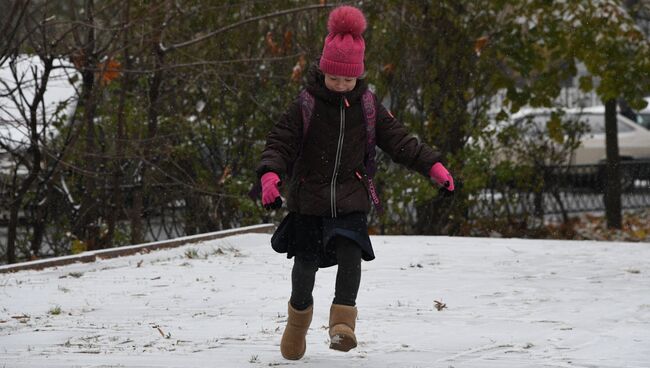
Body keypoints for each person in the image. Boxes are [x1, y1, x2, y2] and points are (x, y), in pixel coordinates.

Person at [256, 5, 454, 360]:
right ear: (323, 70)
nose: (342, 84)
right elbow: (280, 143)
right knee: (305, 265)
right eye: (335, 78)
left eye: (349, 79)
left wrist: (433, 166)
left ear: (358, 76)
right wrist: (271, 175)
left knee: (351, 253)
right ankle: (297, 323)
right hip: (309, 199)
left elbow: (400, 141)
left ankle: (342, 324)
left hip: (351, 197)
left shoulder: (367, 105)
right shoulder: (305, 105)